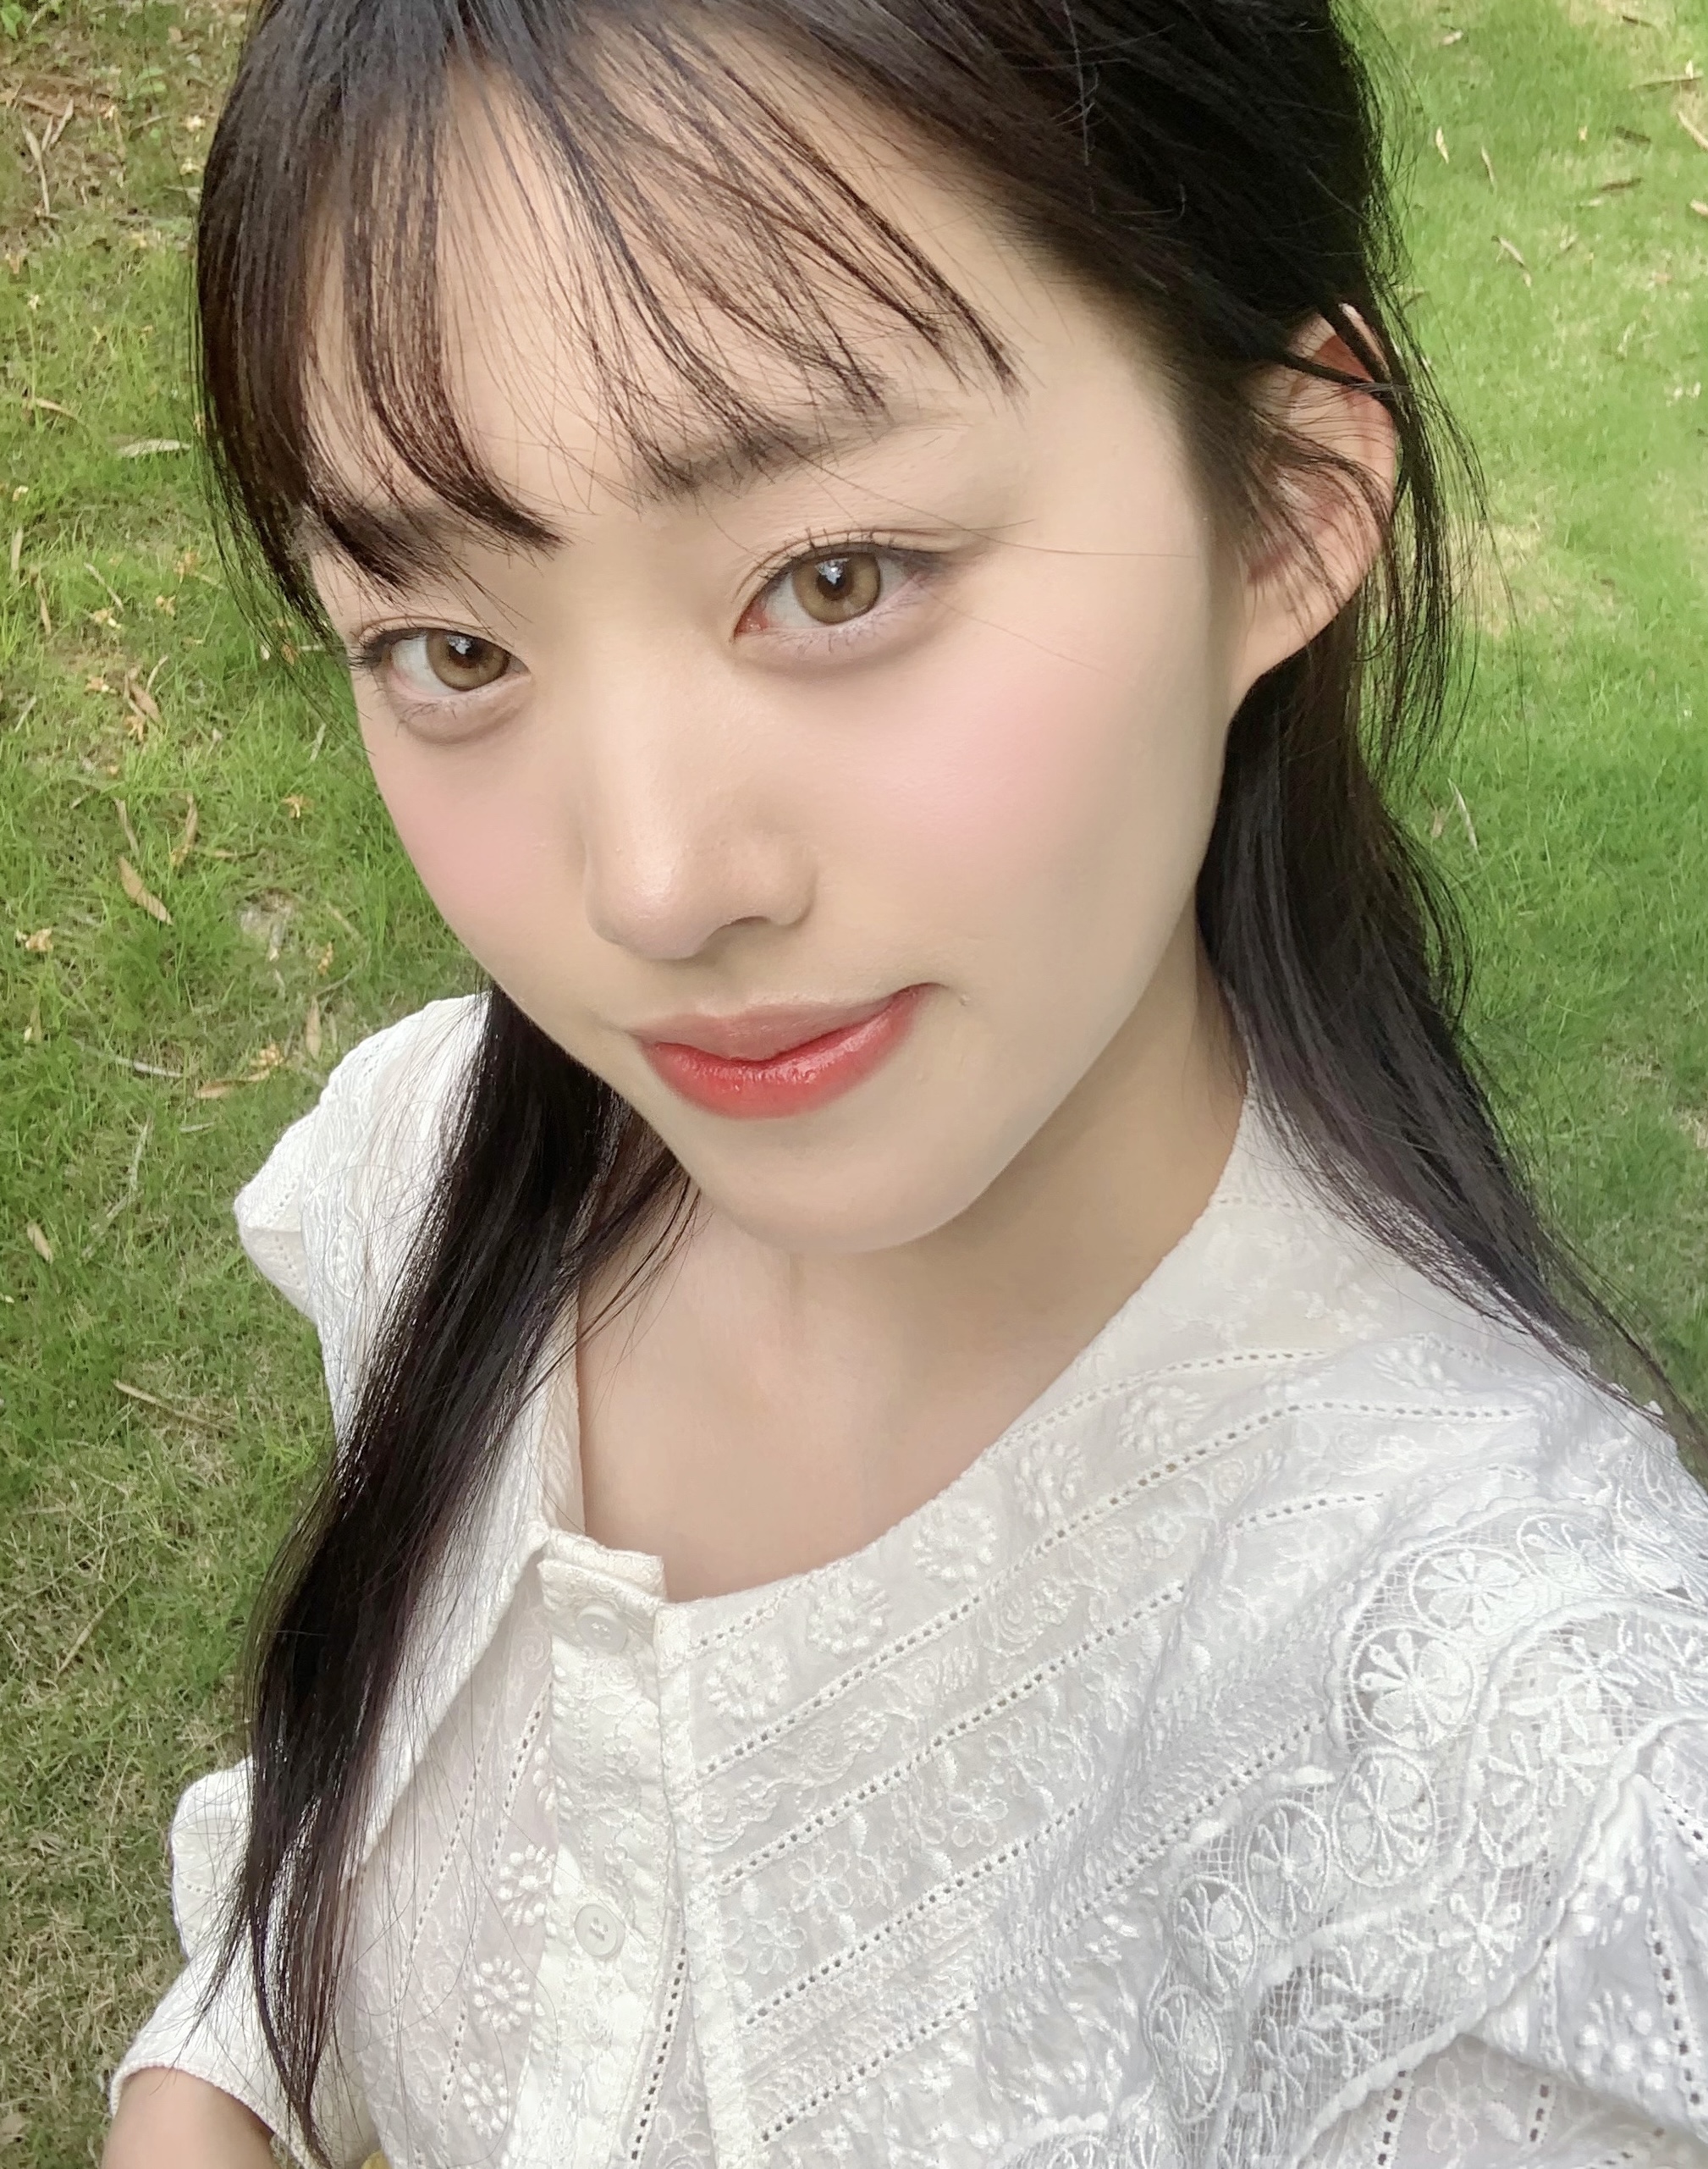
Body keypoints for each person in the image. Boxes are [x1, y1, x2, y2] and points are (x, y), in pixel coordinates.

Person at [102, 0, 1708, 2162]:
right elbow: (352, 1830)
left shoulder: (1538, 1796)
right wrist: (204, 2088)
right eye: (453, 648)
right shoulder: (438, 1162)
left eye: (833, 579)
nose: (653, 888)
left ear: (1284, 513)